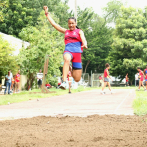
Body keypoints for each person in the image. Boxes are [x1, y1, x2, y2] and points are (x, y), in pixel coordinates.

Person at [43, 6, 87, 90]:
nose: (71, 25)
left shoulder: (79, 31)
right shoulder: (66, 31)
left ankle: (70, 68)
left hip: (77, 54)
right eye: (69, 23)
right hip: (68, 51)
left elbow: (83, 38)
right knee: (66, 59)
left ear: (75, 23)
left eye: (72, 23)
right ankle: (64, 82)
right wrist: (47, 13)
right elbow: (54, 24)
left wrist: (84, 44)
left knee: (77, 79)